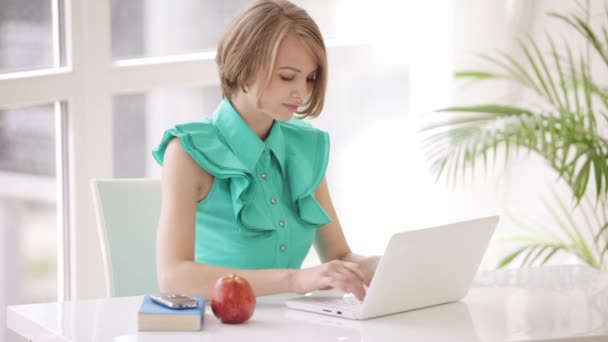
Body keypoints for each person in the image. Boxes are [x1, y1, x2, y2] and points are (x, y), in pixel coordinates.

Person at [153, 0, 380, 301]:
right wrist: (294, 280)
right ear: (243, 65)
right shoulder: (186, 151)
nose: (302, 91)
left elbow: (338, 255)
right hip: (217, 328)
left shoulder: (306, 148)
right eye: (287, 76)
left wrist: (376, 265)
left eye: (310, 78)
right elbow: (174, 276)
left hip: (293, 326)